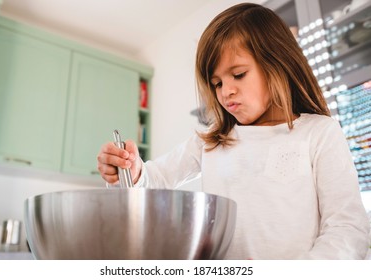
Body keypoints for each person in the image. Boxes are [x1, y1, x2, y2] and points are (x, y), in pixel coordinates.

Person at [97, 3, 370, 259]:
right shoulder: (213, 142)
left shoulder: (319, 133)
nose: (226, 91)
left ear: (278, 63)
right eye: (216, 83)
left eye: (238, 74)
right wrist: (130, 171)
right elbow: (153, 181)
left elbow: (348, 229)